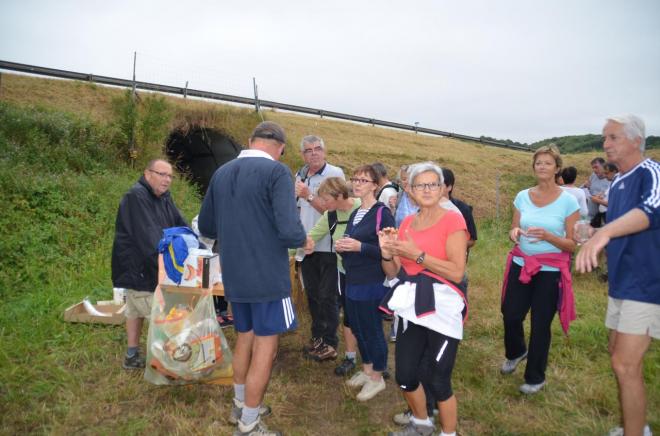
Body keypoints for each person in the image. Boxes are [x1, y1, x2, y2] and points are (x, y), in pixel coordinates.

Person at [198, 121, 308, 436]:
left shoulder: (221, 172)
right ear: (281, 149)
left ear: (250, 141)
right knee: (266, 346)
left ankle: (240, 403)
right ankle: (250, 423)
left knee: (244, 336)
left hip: (234, 273)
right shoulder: (278, 173)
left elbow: (207, 226)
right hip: (267, 276)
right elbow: (289, 230)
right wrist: (304, 239)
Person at [576, 115, 658, 436]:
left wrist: (602, 233)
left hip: (647, 284)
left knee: (625, 364)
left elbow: (652, 211)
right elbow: (620, 231)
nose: (605, 144)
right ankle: (634, 426)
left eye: (613, 137)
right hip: (621, 283)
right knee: (617, 357)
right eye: (604, 138)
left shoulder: (651, 173)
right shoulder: (618, 182)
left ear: (636, 140)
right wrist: (592, 232)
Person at [379, 161, 468, 436]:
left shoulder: (453, 220)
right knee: (405, 376)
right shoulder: (406, 222)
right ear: (410, 190)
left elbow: (456, 271)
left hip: (442, 305)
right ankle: (421, 424)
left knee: (438, 379)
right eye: (421, 185)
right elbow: (394, 271)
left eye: (433, 184)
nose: (427, 189)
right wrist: (386, 252)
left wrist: (417, 254)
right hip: (411, 304)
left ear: (442, 188)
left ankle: (448, 433)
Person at [501, 144, 579, 394]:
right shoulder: (522, 196)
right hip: (521, 264)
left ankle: (535, 377)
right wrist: (514, 233)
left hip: (550, 271)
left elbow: (572, 244)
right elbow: (514, 228)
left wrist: (548, 236)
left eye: (547, 163)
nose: (542, 166)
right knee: (511, 313)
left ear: (557, 167)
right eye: (538, 163)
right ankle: (516, 351)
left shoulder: (568, 201)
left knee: (540, 323)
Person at [111, 159, 188, 369]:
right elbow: (149, 240)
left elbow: (180, 224)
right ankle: (165, 364)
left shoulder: (162, 197)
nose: (166, 180)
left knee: (135, 309)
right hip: (139, 266)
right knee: (156, 314)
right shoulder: (136, 197)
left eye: (170, 176)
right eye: (161, 174)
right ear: (147, 174)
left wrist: (193, 244)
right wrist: (169, 270)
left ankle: (132, 355)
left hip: (150, 264)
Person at [337, 164, 395, 402]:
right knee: (358, 328)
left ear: (375, 185)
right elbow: (352, 242)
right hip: (352, 278)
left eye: (364, 180)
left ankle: (377, 377)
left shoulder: (383, 213)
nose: (357, 183)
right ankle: (367, 368)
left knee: (371, 329)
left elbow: (389, 249)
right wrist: (343, 246)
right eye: (355, 179)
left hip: (371, 281)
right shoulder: (356, 212)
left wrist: (360, 247)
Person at [295, 135, 345, 360]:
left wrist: (308, 195)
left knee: (328, 296)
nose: (313, 153)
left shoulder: (335, 174)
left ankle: (330, 343)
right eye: (308, 150)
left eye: (317, 149)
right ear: (302, 155)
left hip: (329, 245)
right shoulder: (300, 175)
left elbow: (331, 209)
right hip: (307, 246)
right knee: (313, 295)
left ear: (324, 152)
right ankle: (318, 338)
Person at [305, 177, 361, 373]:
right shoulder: (330, 215)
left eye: (326, 199)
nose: (322, 204)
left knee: (368, 316)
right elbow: (311, 236)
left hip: (367, 274)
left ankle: (375, 360)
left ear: (339, 196)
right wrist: (289, 250)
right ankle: (350, 356)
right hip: (344, 272)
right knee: (348, 316)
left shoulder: (364, 208)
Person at [590, 162, 618, 228]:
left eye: (607, 173)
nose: (605, 176)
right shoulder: (613, 182)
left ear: (614, 172)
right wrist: (602, 196)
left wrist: (596, 200)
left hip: (608, 215)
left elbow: (612, 204)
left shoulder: (617, 183)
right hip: (604, 215)